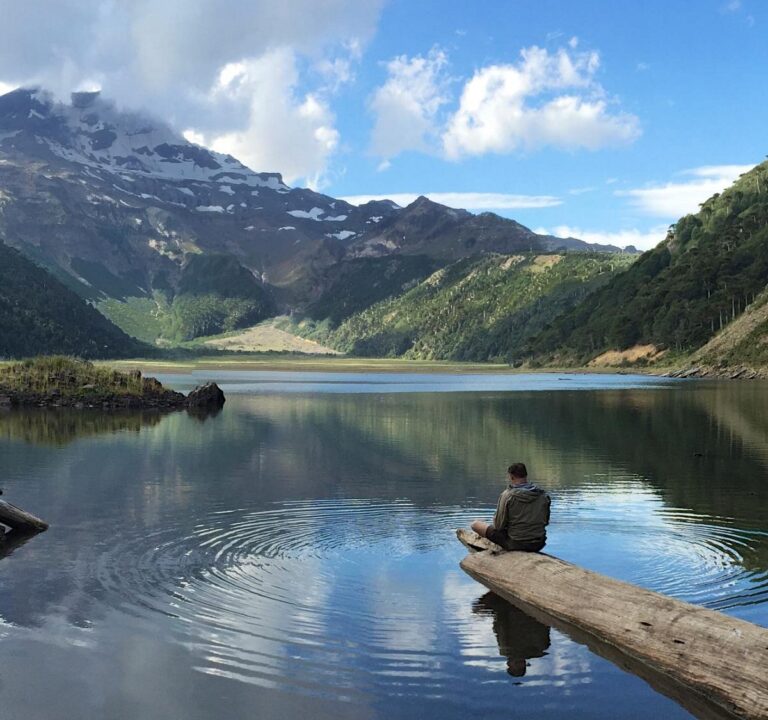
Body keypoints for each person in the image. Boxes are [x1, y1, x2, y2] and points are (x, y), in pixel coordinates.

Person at [471, 463, 550, 552]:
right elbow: (546, 522)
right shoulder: (543, 496)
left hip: (516, 543)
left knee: (475, 524)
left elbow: (498, 526)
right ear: (526, 475)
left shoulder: (508, 495)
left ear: (511, 477)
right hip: (539, 543)